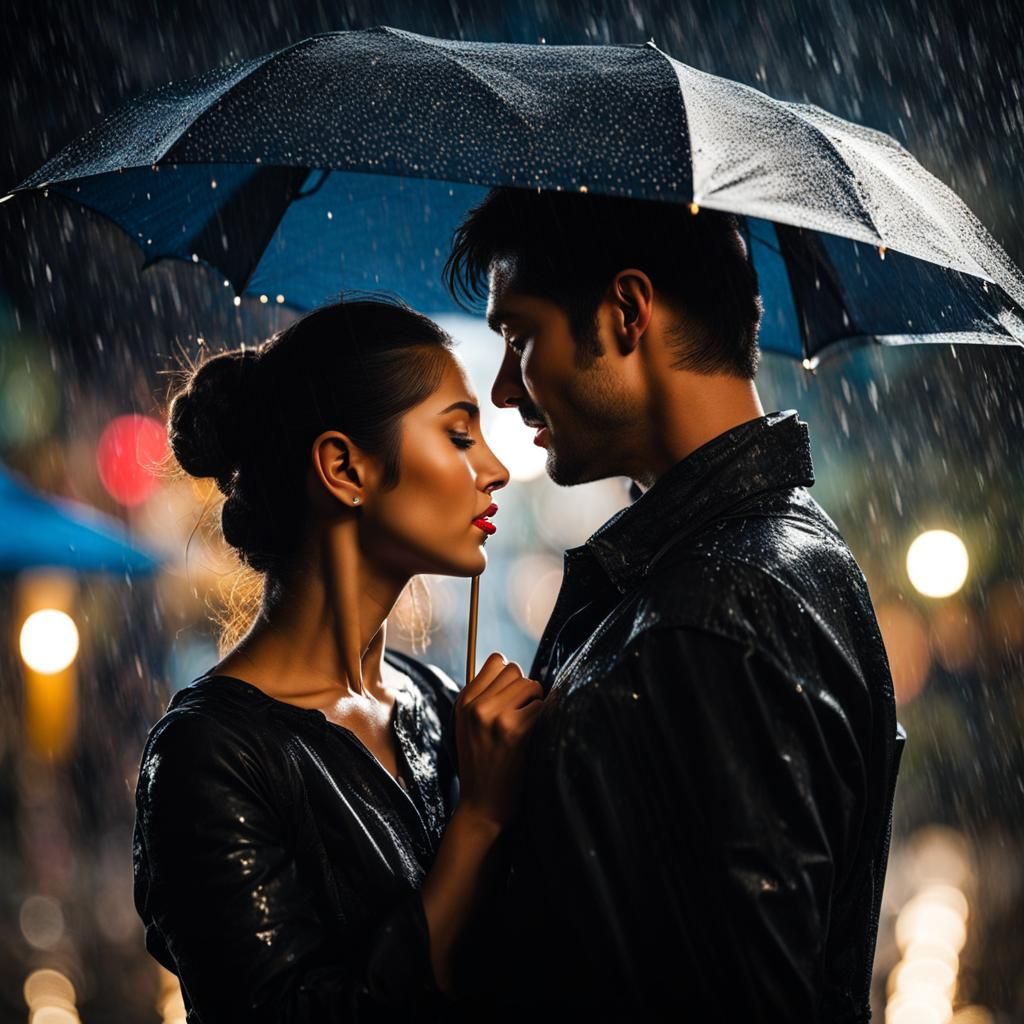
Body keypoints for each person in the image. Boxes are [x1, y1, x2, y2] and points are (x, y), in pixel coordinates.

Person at [443, 188, 905, 1021]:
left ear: (626, 311)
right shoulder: (768, 558)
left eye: (520, 337)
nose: (505, 391)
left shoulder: (715, 608)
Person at [132, 297, 545, 1022]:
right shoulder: (211, 756)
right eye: (457, 436)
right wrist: (477, 818)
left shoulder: (441, 703)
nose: (496, 469)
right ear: (344, 468)